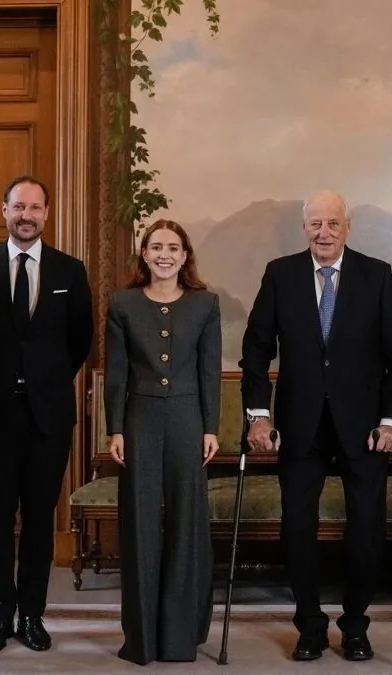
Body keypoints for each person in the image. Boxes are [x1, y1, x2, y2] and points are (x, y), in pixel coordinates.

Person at [240, 189, 392, 662]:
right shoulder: (280, 275)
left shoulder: (376, 276)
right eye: (315, 224)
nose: (324, 232)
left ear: (347, 226)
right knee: (297, 527)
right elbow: (256, 350)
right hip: (300, 426)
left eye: (332, 224)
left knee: (366, 529)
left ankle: (356, 626)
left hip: (365, 427)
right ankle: (310, 626)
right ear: (305, 228)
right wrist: (258, 416)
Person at [0, 175, 94, 654]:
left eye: (35, 207)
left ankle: (33, 617)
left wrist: (45, 379)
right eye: (18, 206)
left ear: (47, 213)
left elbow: (80, 341)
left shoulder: (69, 271)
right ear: (4, 210)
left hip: (48, 418)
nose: (26, 215)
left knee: (40, 521)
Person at [103, 219, 221, 665]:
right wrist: (115, 428)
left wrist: (211, 427)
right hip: (139, 421)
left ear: (185, 255)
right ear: (144, 255)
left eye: (174, 247)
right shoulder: (122, 304)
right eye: (156, 247)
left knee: (188, 526)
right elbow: (117, 374)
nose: (165, 254)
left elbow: (210, 372)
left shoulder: (205, 304)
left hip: (189, 421)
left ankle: (180, 636)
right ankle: (143, 639)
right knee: (139, 526)